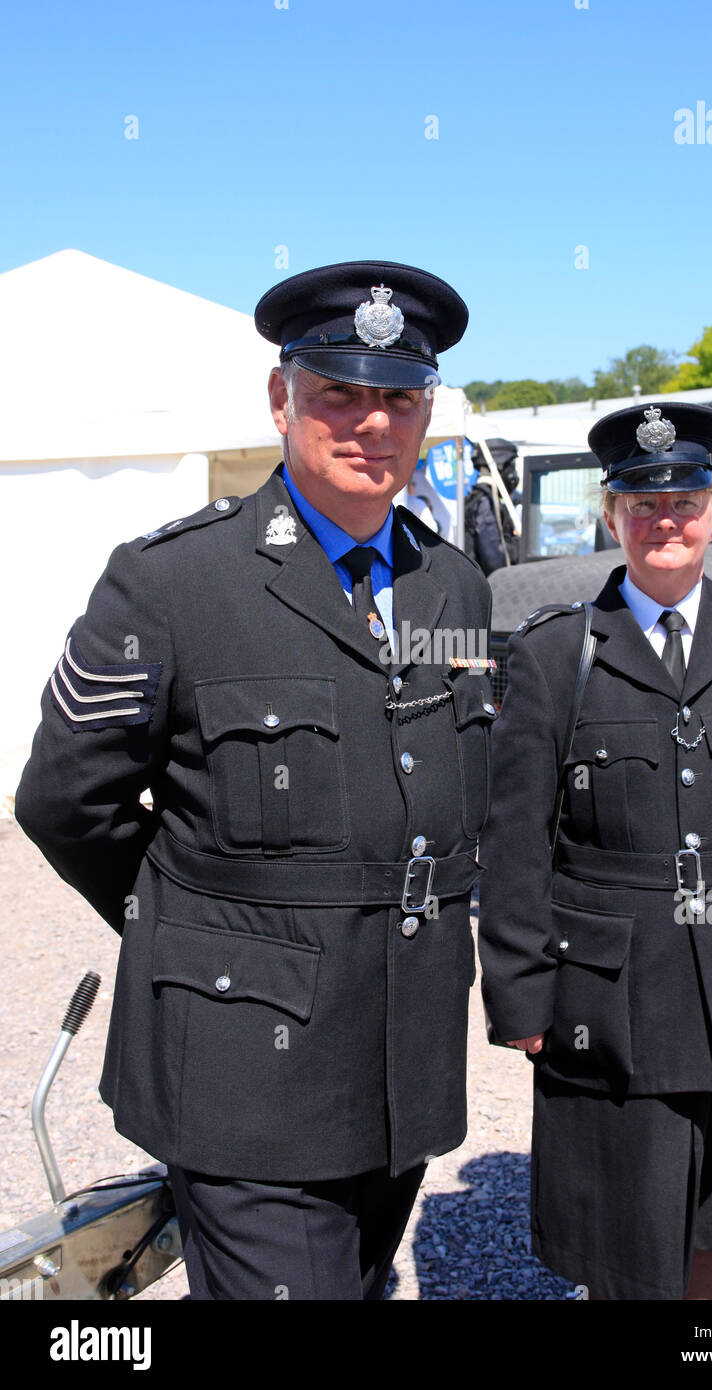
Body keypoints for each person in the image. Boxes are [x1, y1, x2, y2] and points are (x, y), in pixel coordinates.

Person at [15, 260, 496, 1301]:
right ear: (280, 400)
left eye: (397, 398)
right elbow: (64, 800)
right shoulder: (174, 580)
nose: (371, 423)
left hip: (403, 1051)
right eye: (339, 393)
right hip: (247, 1066)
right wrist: (186, 929)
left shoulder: (449, 580)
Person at [478, 402, 712, 1301]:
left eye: (686, 499)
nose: (665, 519)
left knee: (711, 1219)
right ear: (612, 517)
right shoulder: (558, 652)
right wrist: (520, 993)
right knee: (623, 1236)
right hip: (612, 990)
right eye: (641, 503)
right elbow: (517, 843)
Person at [464, 437, 521, 573]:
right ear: (500, 466)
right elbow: (494, 558)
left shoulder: (480, 498)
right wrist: (517, 550)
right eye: (511, 466)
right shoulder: (486, 502)